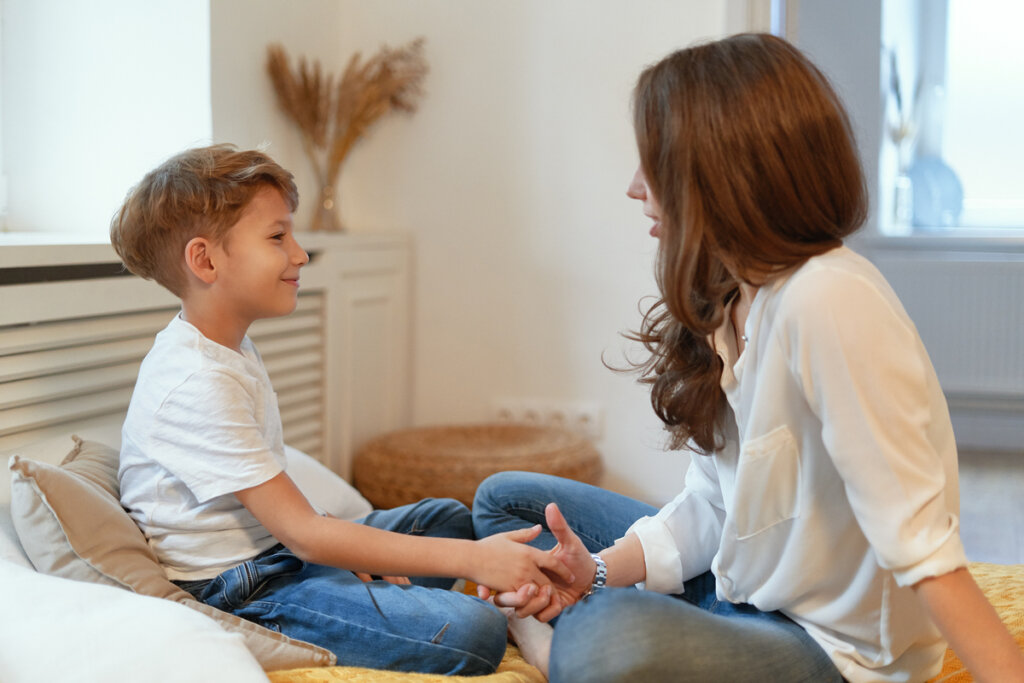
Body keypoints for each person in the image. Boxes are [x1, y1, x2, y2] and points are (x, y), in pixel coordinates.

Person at [472, 33, 1024, 682]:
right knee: (503, 502)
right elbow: (714, 505)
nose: (633, 188)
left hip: (825, 651)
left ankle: (552, 646)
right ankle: (583, 624)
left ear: (716, 168)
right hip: (738, 593)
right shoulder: (732, 297)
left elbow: (923, 545)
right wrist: (591, 569)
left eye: (653, 162)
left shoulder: (828, 298)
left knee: (607, 639)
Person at [110, 144, 570, 676]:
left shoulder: (229, 349)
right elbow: (304, 532)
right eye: (278, 236)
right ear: (206, 260)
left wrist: (354, 551)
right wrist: (472, 562)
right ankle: (503, 615)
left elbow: (291, 519)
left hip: (283, 552)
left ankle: (474, 593)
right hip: (246, 591)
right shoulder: (195, 380)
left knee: (448, 519)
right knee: (472, 630)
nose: (300, 254)